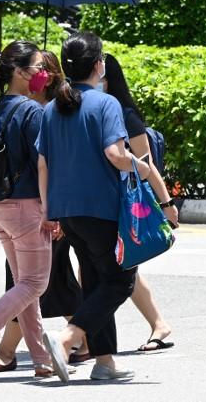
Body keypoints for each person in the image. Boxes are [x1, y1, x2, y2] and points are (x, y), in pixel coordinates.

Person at [37, 32, 179, 383]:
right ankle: (68, 337)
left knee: (96, 281)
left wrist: (47, 210)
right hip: (101, 208)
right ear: (99, 65)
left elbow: (43, 164)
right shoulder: (106, 104)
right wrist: (146, 171)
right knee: (119, 281)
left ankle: (104, 363)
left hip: (67, 210)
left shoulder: (53, 106)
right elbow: (116, 156)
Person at [0, 50, 85, 372]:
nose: (45, 74)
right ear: (21, 73)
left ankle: (41, 359)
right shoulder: (31, 112)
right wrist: (52, 211)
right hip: (26, 208)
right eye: (39, 67)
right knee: (34, 284)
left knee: (24, 286)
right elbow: (43, 164)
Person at [102, 53, 175, 351]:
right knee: (118, 267)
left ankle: (80, 334)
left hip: (126, 201)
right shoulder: (95, 110)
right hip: (104, 198)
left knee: (116, 267)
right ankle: (158, 323)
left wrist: (166, 203)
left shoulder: (126, 115)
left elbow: (146, 165)